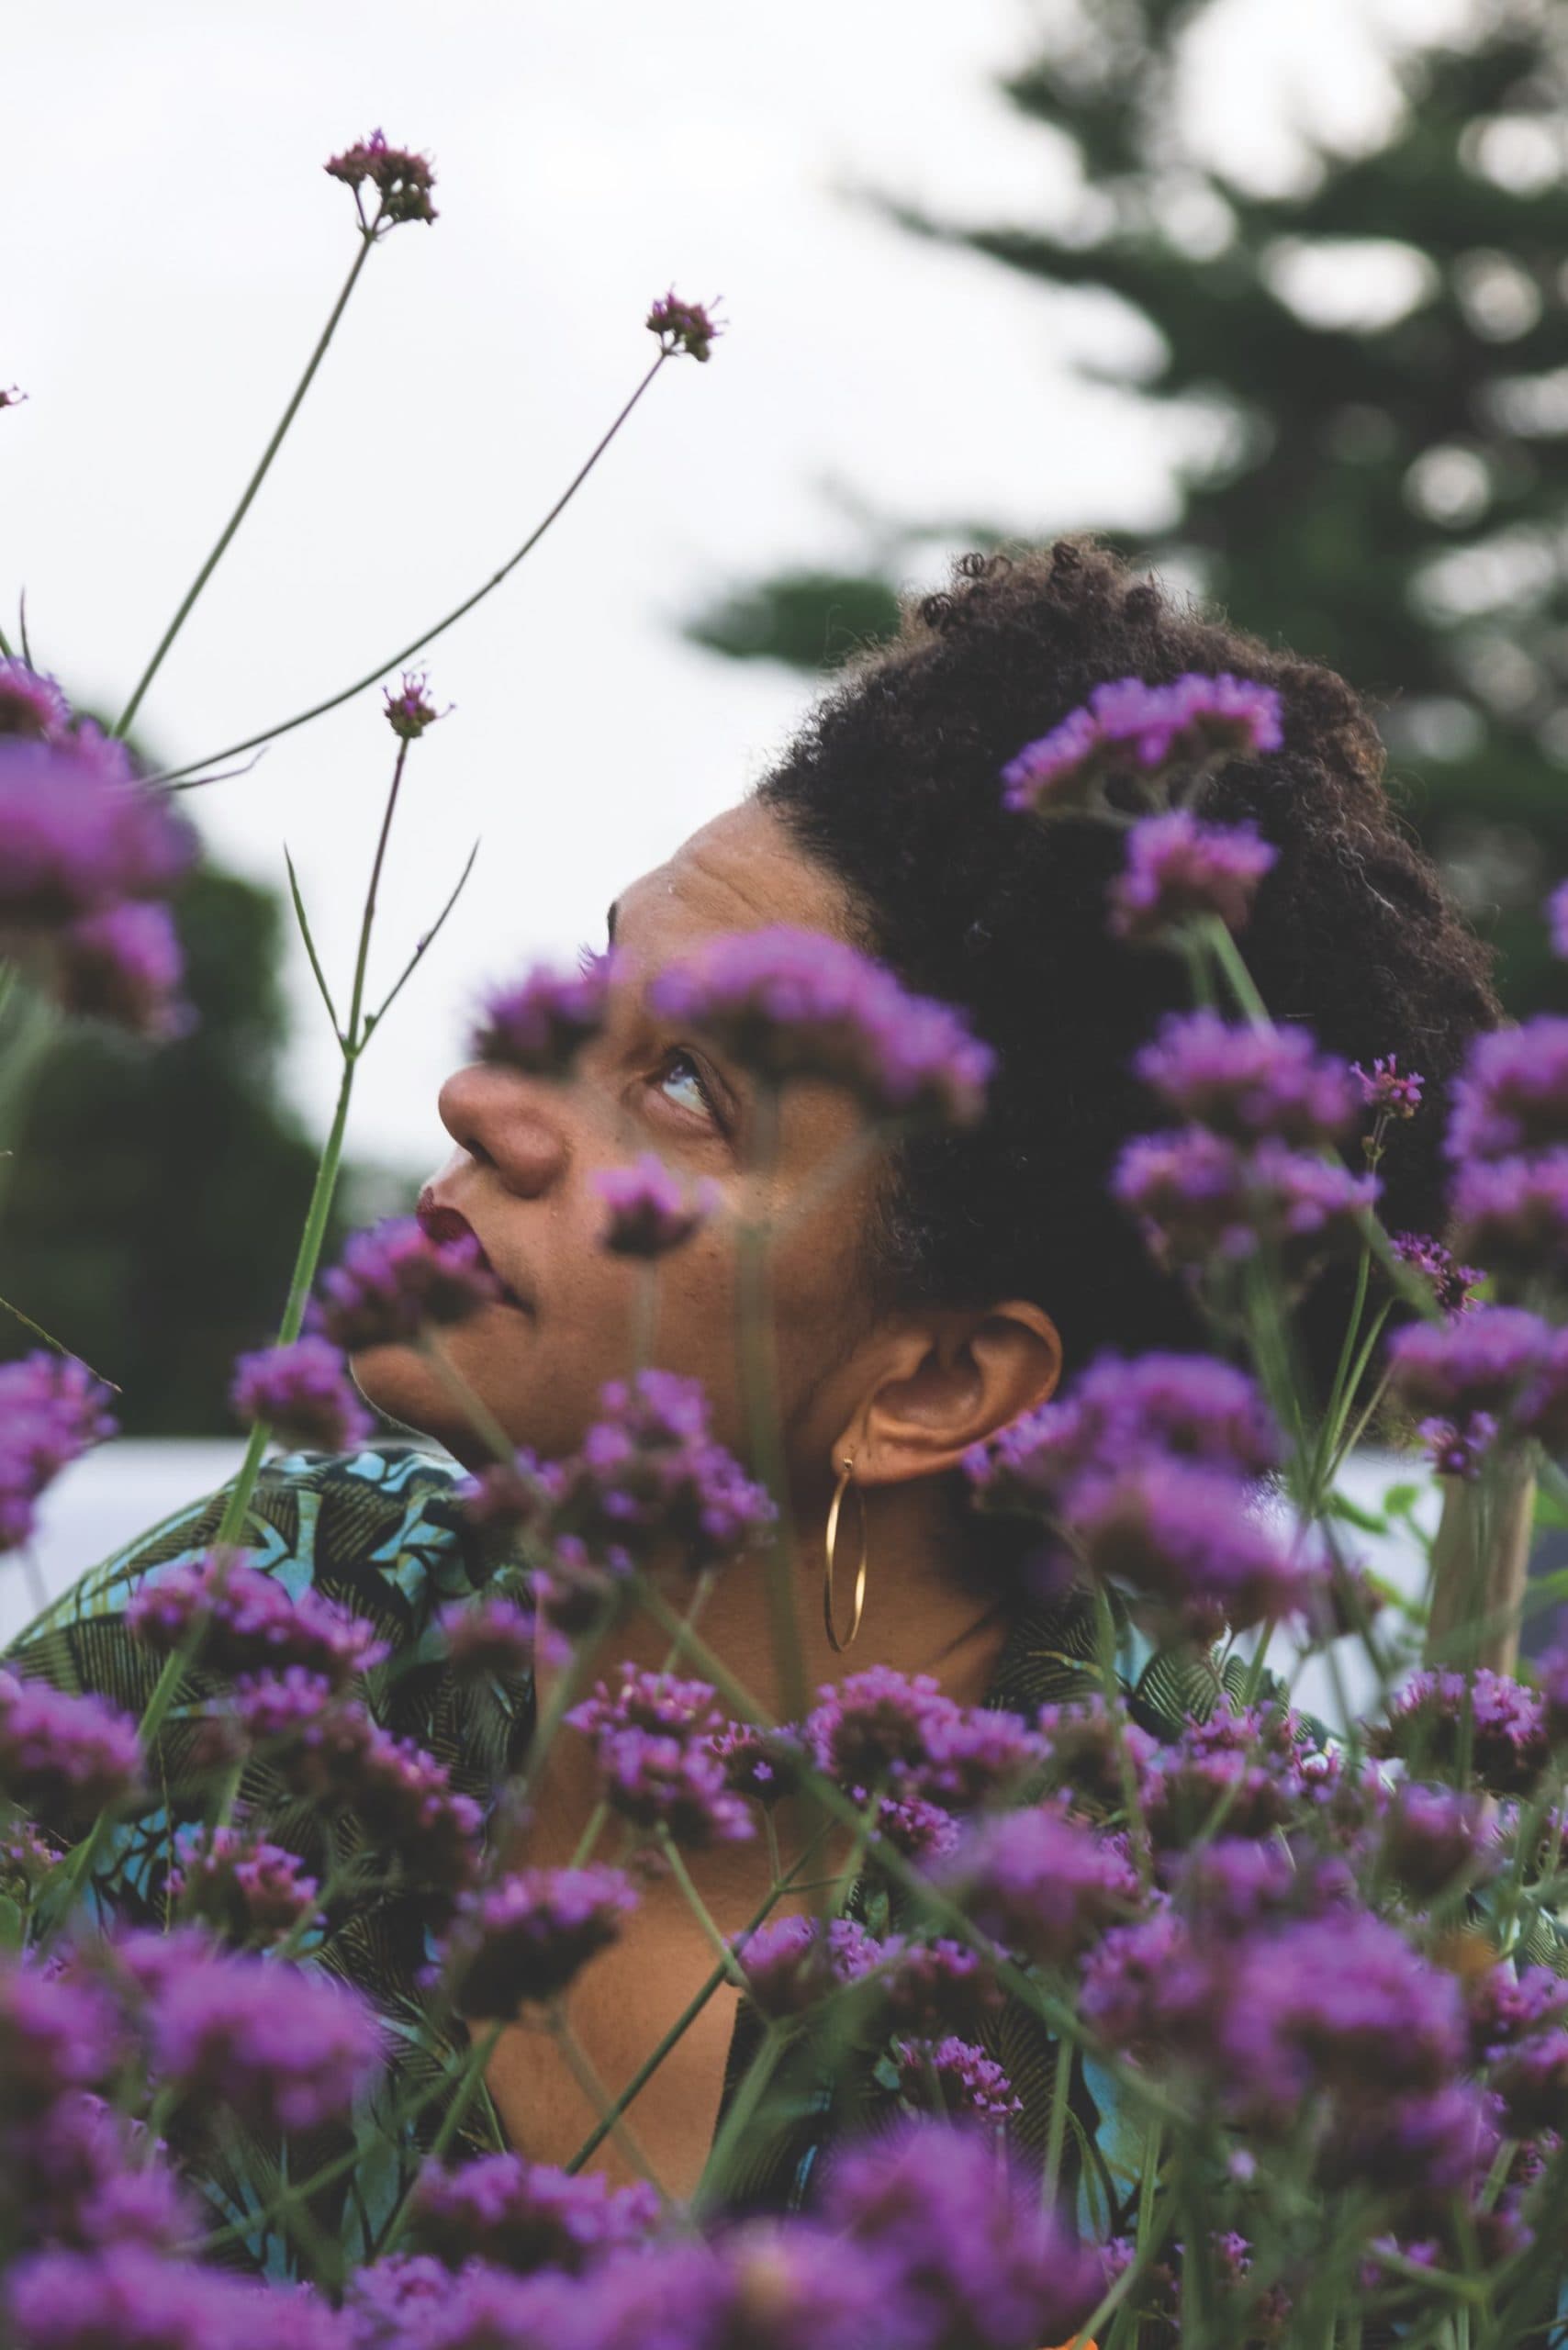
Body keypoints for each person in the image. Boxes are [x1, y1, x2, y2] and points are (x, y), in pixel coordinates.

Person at [7, 537, 1502, 2269]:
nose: (486, 1096)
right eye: (591, 995)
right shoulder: (264, 1634)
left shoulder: (1257, 1993)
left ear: (940, 1384)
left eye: (690, 1088)